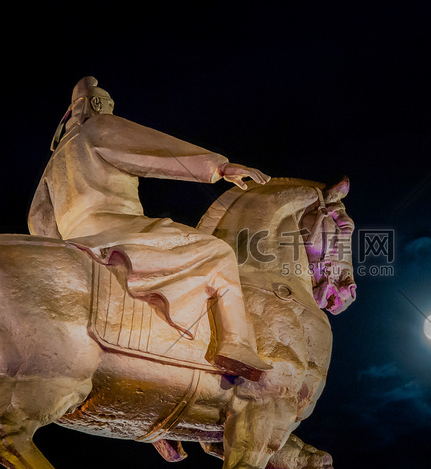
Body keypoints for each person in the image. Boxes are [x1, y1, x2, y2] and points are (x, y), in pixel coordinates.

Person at [28, 76, 271, 381]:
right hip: (118, 228)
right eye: (106, 105)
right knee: (219, 251)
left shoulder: (57, 159)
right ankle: (237, 343)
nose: (109, 111)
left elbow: (38, 220)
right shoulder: (99, 128)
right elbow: (154, 150)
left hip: (75, 241)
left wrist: (61, 249)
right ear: (97, 106)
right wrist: (218, 167)